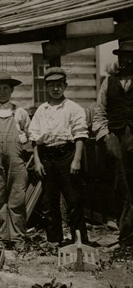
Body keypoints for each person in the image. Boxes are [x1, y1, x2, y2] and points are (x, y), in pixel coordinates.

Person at [29, 67, 89, 245]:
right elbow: (35, 138)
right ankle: (54, 241)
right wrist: (38, 162)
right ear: (46, 87)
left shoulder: (73, 108)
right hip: (47, 157)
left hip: (67, 156)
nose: (55, 89)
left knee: (73, 200)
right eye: (52, 85)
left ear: (65, 86)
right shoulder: (42, 110)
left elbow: (80, 135)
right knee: (49, 202)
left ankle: (79, 242)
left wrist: (76, 160)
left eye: (59, 85)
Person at [0, 71, 30, 247]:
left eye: (6, 88)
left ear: (11, 90)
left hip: (16, 162)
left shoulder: (20, 112)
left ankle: (18, 239)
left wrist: (24, 148)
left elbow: (30, 136)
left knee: (17, 200)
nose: (2, 91)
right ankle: (1, 238)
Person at [93, 38, 133, 245]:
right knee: (121, 186)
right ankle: (126, 236)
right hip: (116, 138)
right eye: (124, 57)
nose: (127, 61)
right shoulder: (108, 82)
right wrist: (106, 136)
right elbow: (99, 113)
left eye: (131, 57)